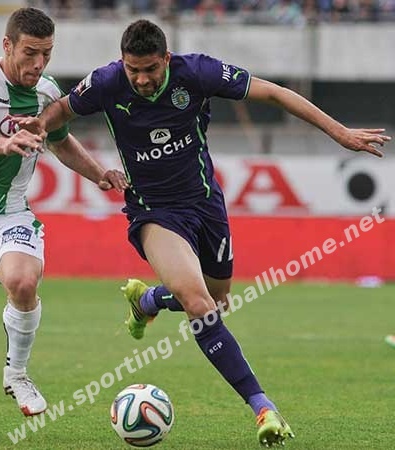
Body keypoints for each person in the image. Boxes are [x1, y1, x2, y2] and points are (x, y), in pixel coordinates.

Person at [22, 19, 391, 445]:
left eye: (150, 69)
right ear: (122, 63)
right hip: (154, 212)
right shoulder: (107, 82)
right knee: (200, 305)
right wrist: (38, 126)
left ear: (166, 59)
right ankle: (263, 407)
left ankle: (148, 300)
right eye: (133, 70)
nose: (141, 79)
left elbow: (275, 93)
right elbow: (62, 109)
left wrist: (339, 132)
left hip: (205, 204)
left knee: (217, 299)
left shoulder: (197, 73)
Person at [0, 7, 128, 417]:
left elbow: (60, 141)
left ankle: (17, 373)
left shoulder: (47, 93)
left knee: (23, 282)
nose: (39, 63)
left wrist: (99, 174)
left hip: (8, 212)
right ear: (7, 45)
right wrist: (1, 144)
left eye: (46, 54)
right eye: (30, 53)